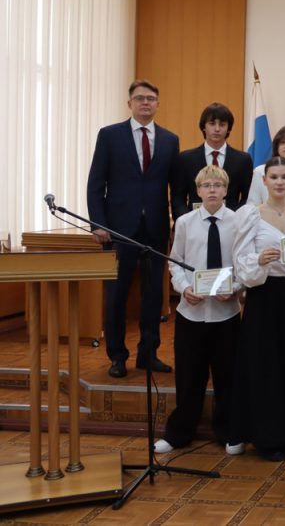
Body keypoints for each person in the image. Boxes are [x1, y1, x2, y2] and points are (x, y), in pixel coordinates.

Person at [87, 80, 180, 378]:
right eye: (139, 98)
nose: (145, 103)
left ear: (158, 104)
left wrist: (178, 224)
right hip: (118, 231)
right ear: (130, 104)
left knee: (153, 296)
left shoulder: (170, 140)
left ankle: (148, 353)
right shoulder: (109, 136)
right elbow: (95, 185)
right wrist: (98, 224)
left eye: (151, 98)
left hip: (155, 229)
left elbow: (174, 186)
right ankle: (117, 356)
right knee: (117, 295)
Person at [229, 157, 285, 461]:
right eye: (274, 177)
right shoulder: (250, 215)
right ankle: (267, 438)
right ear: (264, 180)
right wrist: (259, 261)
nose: (279, 182)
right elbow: (240, 262)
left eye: (284, 177)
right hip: (262, 298)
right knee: (263, 365)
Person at [155, 165, 241, 454]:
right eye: (207, 186)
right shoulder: (185, 222)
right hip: (191, 313)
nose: (212, 190)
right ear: (198, 191)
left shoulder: (238, 222)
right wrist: (183, 288)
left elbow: (244, 263)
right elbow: (175, 261)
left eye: (217, 185)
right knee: (189, 377)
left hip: (226, 313)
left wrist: (235, 287)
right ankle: (179, 433)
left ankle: (229, 432)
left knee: (227, 375)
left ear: (226, 190)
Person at [171, 102, 253, 219]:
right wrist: (187, 221)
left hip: (231, 223)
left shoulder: (243, 160)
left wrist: (234, 219)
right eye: (212, 123)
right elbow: (178, 198)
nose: (217, 129)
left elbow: (247, 197)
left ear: (228, 128)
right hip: (194, 223)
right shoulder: (185, 159)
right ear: (204, 127)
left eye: (222, 124)